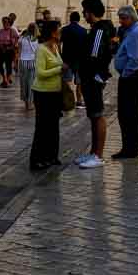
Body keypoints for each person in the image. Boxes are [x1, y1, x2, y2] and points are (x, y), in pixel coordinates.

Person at [76, 0, 115, 169]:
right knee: (93, 115)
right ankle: (93, 152)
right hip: (90, 77)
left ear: (90, 11)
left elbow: (95, 56)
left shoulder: (99, 30)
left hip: (93, 78)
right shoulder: (96, 29)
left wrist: (96, 75)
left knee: (97, 115)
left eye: (84, 11)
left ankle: (98, 155)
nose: (83, 14)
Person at [29, 20, 65, 170]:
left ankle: (52, 156)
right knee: (42, 126)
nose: (61, 32)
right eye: (59, 30)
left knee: (53, 125)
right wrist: (59, 69)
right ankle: (37, 158)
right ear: (52, 32)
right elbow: (40, 73)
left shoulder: (56, 47)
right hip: (42, 93)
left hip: (55, 92)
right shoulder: (41, 49)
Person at [113, 5, 138, 159]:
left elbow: (136, 59)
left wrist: (125, 74)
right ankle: (129, 147)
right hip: (132, 76)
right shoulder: (133, 31)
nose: (120, 21)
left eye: (123, 18)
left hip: (131, 77)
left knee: (128, 114)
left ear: (131, 17)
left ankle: (130, 149)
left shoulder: (135, 33)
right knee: (129, 114)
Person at [60, 12, 87, 108]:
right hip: (80, 60)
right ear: (79, 19)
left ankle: (67, 100)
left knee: (67, 81)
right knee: (79, 82)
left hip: (67, 60)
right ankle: (79, 100)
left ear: (70, 19)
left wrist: (60, 56)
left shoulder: (64, 30)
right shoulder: (83, 31)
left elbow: (59, 43)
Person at [0, 16, 19, 88]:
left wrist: (14, 46)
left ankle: (6, 80)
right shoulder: (1, 31)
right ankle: (4, 78)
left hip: (9, 50)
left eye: (6, 22)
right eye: (3, 22)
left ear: (9, 23)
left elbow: (17, 39)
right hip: (1, 49)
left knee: (8, 65)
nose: (4, 23)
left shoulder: (12, 30)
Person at [18, 23, 38, 110]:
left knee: (24, 83)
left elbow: (18, 50)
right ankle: (30, 103)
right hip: (33, 62)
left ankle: (26, 103)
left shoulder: (22, 38)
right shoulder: (37, 39)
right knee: (31, 84)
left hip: (23, 62)